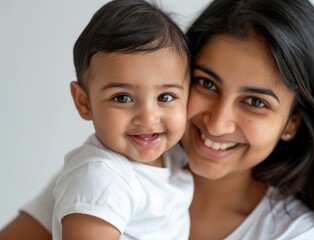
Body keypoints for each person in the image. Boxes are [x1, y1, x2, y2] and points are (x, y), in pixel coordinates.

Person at [0, 0, 314, 239]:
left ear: (291, 124)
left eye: (254, 102)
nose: (217, 124)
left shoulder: (293, 235)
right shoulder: (111, 171)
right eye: (207, 84)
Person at [18, 0, 193, 240]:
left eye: (165, 96)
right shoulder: (101, 177)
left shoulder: (174, 158)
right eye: (122, 98)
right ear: (84, 102)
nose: (148, 116)